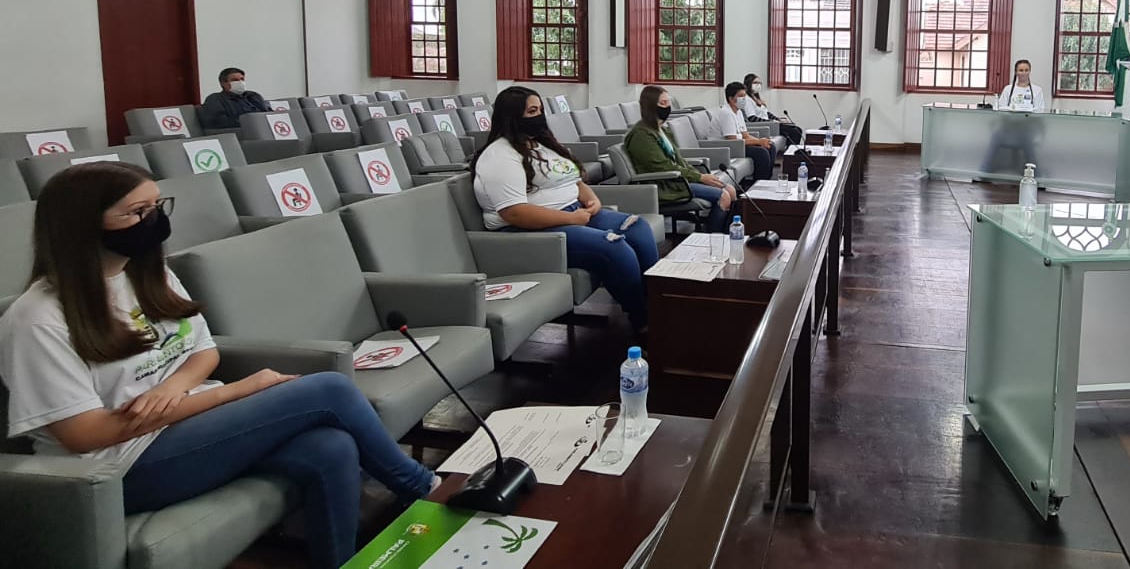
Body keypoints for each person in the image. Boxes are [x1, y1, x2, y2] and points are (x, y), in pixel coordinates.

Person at [0, 163, 436, 568]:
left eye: (157, 206)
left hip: (184, 427)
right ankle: (425, 488)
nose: (154, 220)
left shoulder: (148, 273)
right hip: (119, 466)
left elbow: (204, 352)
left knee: (331, 446)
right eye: (137, 212)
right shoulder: (38, 319)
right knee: (329, 390)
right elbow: (85, 434)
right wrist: (236, 390)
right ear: (82, 225)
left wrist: (171, 388)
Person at [471, 86, 657, 332]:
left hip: (573, 213)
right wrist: (570, 218)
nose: (539, 116)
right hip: (531, 230)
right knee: (614, 246)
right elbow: (514, 212)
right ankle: (643, 319)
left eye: (540, 110)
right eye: (532, 111)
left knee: (638, 228)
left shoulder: (540, 144)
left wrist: (592, 200)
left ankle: (657, 304)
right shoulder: (500, 156)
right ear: (512, 116)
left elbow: (573, 181)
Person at [623, 86, 735, 232]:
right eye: (663, 103)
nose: (667, 107)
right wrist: (699, 177)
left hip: (677, 180)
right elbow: (662, 166)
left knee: (731, 190)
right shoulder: (641, 135)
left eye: (668, 102)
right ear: (650, 106)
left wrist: (699, 176)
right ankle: (711, 237)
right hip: (664, 184)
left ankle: (727, 234)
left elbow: (678, 160)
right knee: (723, 196)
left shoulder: (660, 130)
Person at [712, 82, 775, 181]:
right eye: (741, 96)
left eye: (745, 96)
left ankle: (767, 181)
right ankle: (759, 183)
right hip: (725, 148)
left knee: (770, 146)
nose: (744, 99)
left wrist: (762, 141)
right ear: (731, 99)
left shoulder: (738, 112)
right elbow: (733, 141)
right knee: (761, 153)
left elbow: (745, 135)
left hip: (737, 145)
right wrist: (758, 142)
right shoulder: (726, 113)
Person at [197, 67, 270, 130]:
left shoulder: (253, 96)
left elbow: (267, 112)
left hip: (264, 128)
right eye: (235, 80)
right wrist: (248, 122)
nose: (240, 82)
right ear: (223, 83)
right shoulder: (215, 99)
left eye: (242, 79)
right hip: (240, 131)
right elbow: (217, 121)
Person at [742, 73, 803, 145]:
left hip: (770, 124)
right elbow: (752, 118)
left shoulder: (756, 98)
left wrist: (778, 119)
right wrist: (771, 121)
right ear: (748, 84)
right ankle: (790, 151)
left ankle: (791, 150)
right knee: (795, 132)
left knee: (797, 129)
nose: (758, 85)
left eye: (759, 83)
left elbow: (766, 113)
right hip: (764, 126)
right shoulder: (747, 99)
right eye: (755, 83)